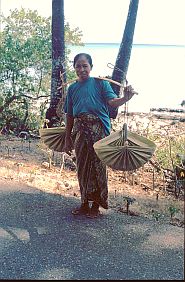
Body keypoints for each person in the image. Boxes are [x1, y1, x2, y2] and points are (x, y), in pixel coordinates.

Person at [63, 53, 135, 218]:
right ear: (74, 68)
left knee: (98, 166)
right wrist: (68, 137)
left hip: (99, 130)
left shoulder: (101, 84)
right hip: (80, 130)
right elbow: (70, 115)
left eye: (85, 66)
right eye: (78, 66)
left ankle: (96, 205)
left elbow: (112, 102)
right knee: (82, 167)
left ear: (91, 67)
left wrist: (125, 98)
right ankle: (84, 203)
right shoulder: (72, 88)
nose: (82, 69)